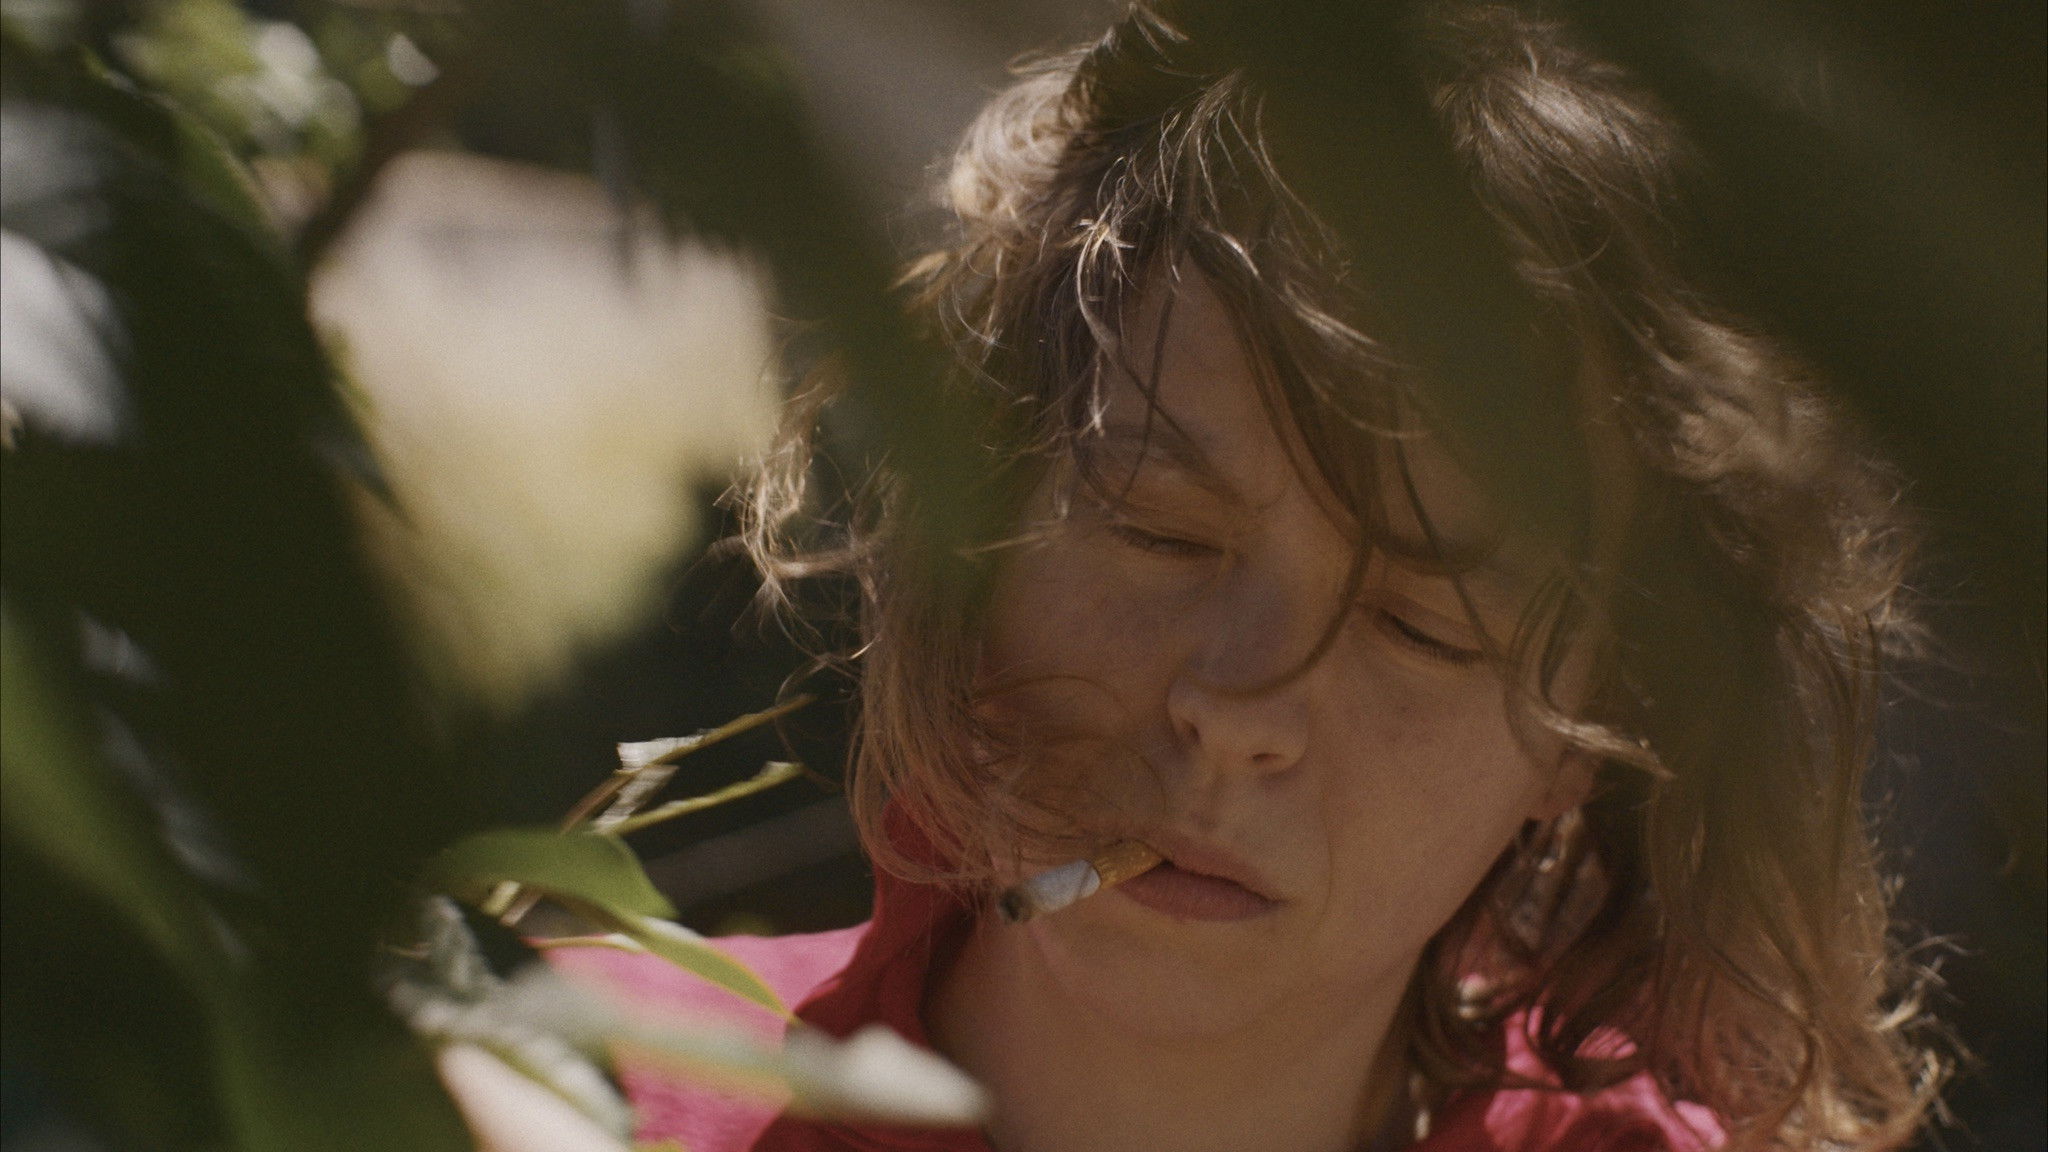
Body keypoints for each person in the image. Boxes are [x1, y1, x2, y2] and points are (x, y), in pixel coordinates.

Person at [554, 4, 1946, 1150]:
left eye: (1418, 624)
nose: (1237, 709)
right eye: (1160, 534)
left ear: (1591, 733)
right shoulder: (561, 1101)